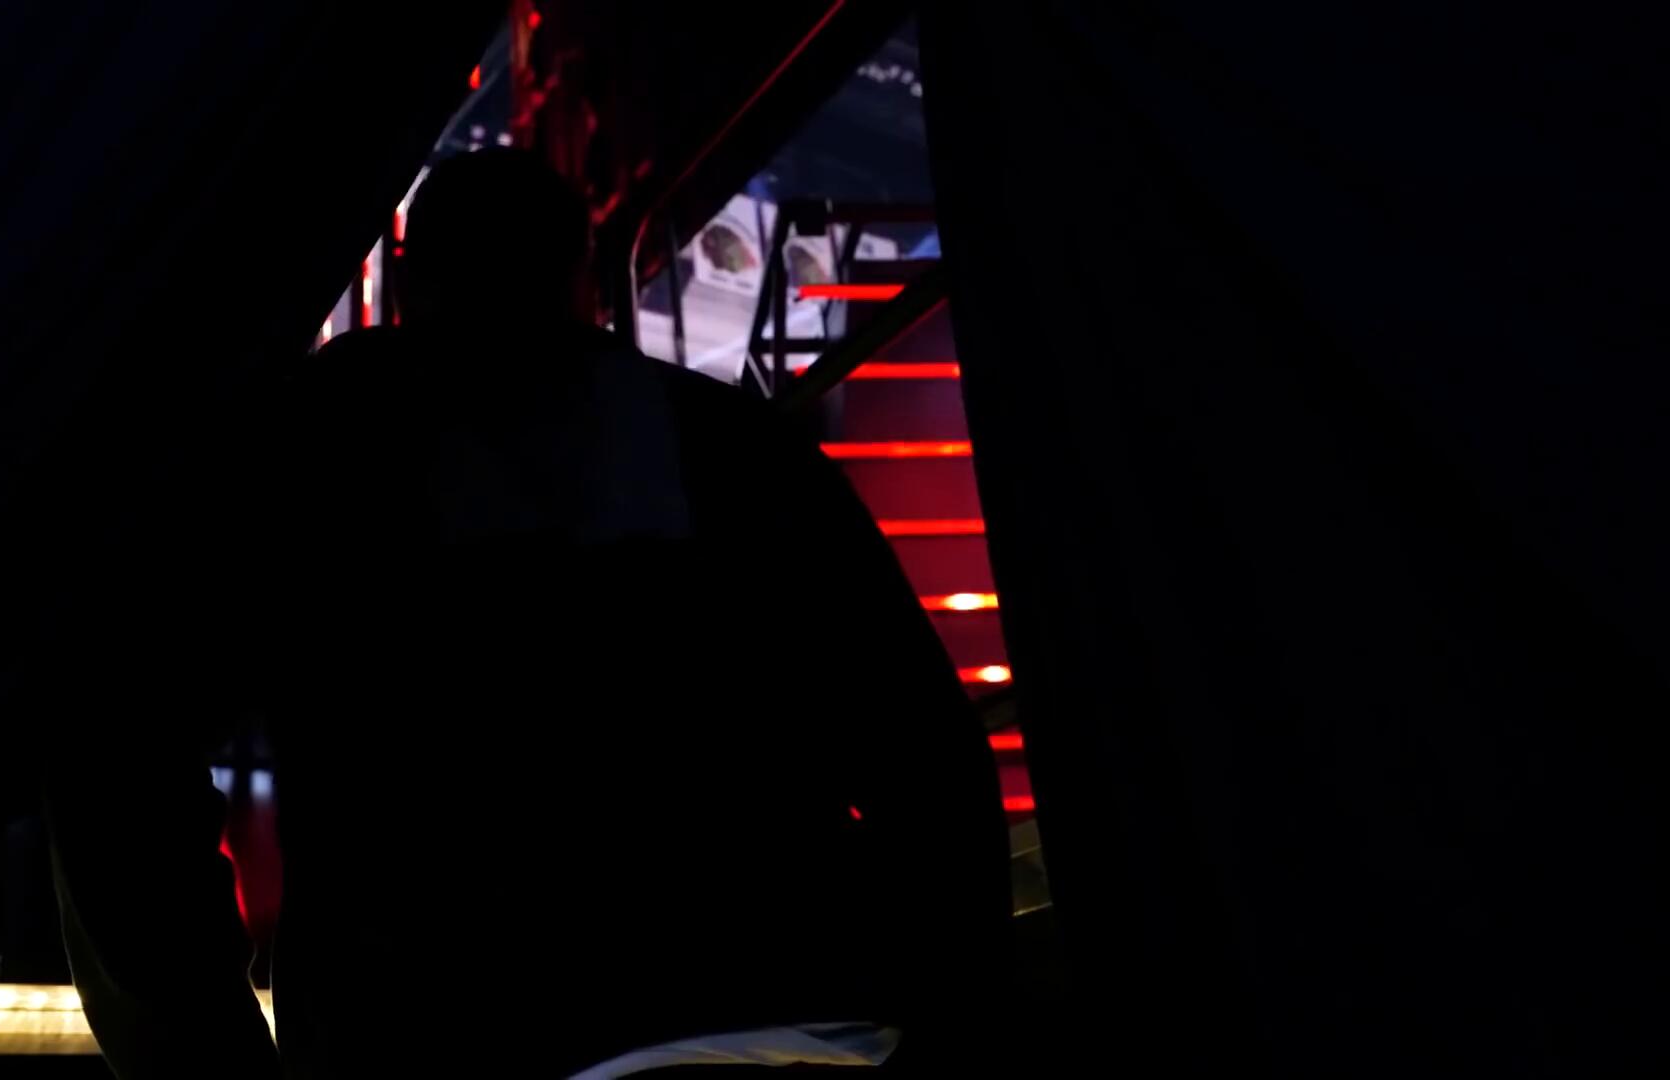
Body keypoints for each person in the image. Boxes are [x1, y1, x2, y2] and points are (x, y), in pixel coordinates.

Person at [55, 148, 1008, 1076]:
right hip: (786, 992)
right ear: (582, 279)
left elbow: (124, 743)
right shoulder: (735, 447)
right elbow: (918, 743)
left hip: (433, 1022)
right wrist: (950, 1004)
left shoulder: (311, 456)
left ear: (408, 278)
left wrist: (199, 1049)